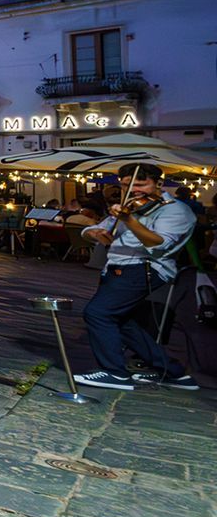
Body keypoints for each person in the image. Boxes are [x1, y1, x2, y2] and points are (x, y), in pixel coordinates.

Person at [75, 163, 200, 391]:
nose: (133, 190)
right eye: (126, 186)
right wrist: (94, 233)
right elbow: (92, 230)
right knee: (123, 323)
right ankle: (173, 372)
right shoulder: (129, 207)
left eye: (141, 185)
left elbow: (158, 243)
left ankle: (115, 373)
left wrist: (128, 220)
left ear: (159, 184)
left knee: (98, 313)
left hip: (143, 268)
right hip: (116, 268)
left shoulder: (176, 211)